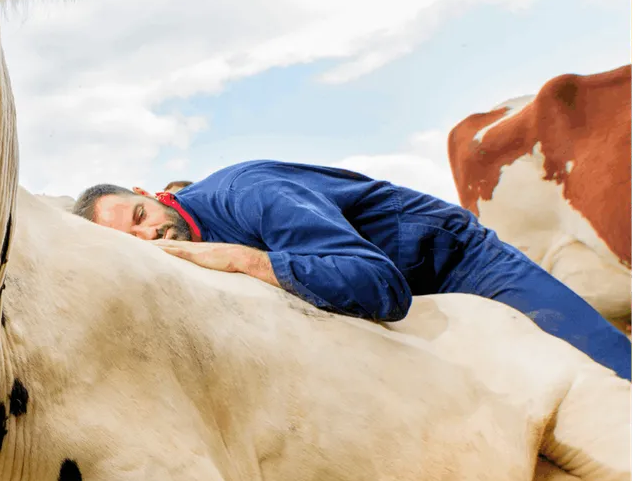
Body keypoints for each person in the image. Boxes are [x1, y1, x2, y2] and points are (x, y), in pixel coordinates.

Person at [72, 159, 631, 380]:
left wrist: (245, 260)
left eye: (140, 215)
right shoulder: (187, 260)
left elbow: (378, 284)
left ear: (150, 195)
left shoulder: (249, 195)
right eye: (134, 240)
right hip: (395, 326)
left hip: (453, 266)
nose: (150, 235)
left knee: (611, 374)